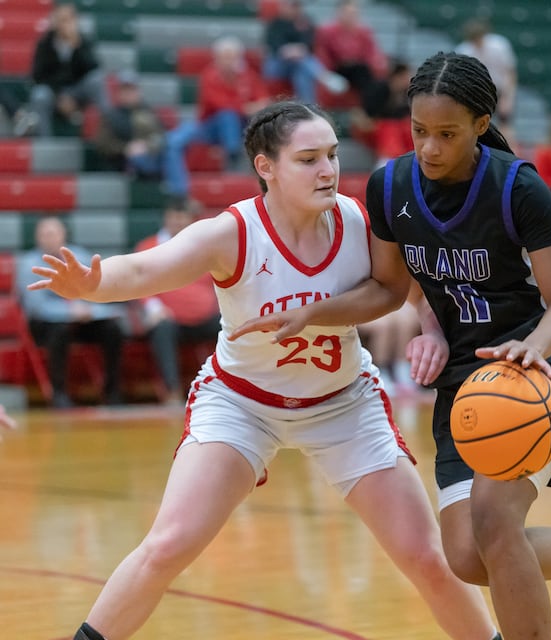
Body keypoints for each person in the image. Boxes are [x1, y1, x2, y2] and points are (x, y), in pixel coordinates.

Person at [230, 52, 551, 640]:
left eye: (446, 134)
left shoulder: (518, 188)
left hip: (540, 363)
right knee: (468, 556)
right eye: (420, 131)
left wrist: (534, 351)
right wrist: (315, 312)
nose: (430, 148)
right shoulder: (390, 186)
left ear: (479, 123)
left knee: (495, 521)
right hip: (465, 378)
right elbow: (391, 289)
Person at [29, 100, 502, 640]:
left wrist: (432, 328)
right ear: (266, 167)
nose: (328, 169)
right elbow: (145, 269)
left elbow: (409, 285)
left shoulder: (358, 219)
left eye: (332, 155)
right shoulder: (232, 233)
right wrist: (92, 284)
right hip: (242, 404)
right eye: (308, 159)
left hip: (343, 403)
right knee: (168, 544)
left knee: (428, 558)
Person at [16, 217, 125, 408]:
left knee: (112, 329)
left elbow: (96, 291)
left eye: (53, 233)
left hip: (84, 317)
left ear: (63, 235)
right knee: (60, 330)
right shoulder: (28, 264)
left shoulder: (80, 256)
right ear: (37, 238)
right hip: (45, 324)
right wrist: (70, 311)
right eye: (44, 234)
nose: (49, 238)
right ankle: (59, 394)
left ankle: (112, 392)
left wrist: (91, 310)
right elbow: (36, 306)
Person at [131, 197, 221, 405]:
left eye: (183, 219)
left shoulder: (204, 247)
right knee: (163, 329)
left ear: (191, 221)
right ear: (166, 219)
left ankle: (229, 390)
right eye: (174, 219)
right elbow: (139, 284)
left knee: (232, 326)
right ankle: (171, 392)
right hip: (168, 319)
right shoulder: (148, 246)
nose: (178, 223)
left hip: (205, 317)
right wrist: (153, 308)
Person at [162, 35, 272, 198]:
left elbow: (265, 101)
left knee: (240, 121)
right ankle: (180, 192)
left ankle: (235, 158)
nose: (229, 61)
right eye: (225, 57)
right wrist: (246, 107)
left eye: (232, 57)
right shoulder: (209, 75)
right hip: (209, 126)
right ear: (217, 58)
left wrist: (246, 108)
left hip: (242, 126)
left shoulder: (248, 76)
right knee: (173, 141)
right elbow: (220, 104)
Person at [29, 2, 110, 137]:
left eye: (68, 19)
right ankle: (44, 144)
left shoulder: (83, 41)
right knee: (39, 94)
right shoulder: (45, 44)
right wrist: (60, 96)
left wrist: (76, 48)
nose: (65, 24)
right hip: (54, 94)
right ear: (54, 21)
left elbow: (93, 68)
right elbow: (38, 76)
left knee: (97, 80)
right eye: (62, 19)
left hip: (78, 92)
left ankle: (109, 134)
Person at [262, 0, 349, 104]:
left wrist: (297, 51)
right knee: (303, 61)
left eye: (297, 6)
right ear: (283, 7)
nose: (295, 9)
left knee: (302, 73)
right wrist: (289, 51)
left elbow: (309, 44)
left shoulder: (305, 22)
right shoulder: (275, 24)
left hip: (298, 63)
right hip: (277, 65)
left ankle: (308, 107)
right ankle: (324, 77)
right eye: (292, 6)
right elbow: (274, 46)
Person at [92, 69, 164, 179]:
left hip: (150, 156)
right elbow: (102, 144)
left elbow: (161, 137)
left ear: (139, 92)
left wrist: (146, 147)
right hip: (122, 162)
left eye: (132, 89)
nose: (129, 93)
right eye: (125, 89)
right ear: (119, 93)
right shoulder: (111, 116)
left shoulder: (149, 113)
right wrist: (126, 148)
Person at [455, 18, 517, 144]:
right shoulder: (464, 51)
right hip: (477, 92)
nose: (477, 43)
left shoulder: (500, 45)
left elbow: (510, 72)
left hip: (500, 90)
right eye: (474, 40)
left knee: (505, 125)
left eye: (479, 39)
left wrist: (508, 97)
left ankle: (509, 152)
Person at [357, 280, 422, 396]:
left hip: (389, 302)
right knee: (384, 326)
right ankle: (382, 372)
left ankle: (403, 370)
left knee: (406, 321)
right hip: (363, 306)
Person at [314, 0, 388, 102]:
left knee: (371, 76)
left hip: (359, 68)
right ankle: (368, 110)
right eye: (348, 13)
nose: (350, 16)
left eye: (353, 13)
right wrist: (326, 73)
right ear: (339, 12)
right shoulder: (327, 31)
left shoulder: (364, 31)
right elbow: (322, 54)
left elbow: (371, 53)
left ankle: (370, 109)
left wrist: (377, 65)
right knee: (361, 73)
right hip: (337, 69)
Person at [350, 58, 414, 168]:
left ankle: (412, 161)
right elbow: (361, 116)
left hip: (395, 131)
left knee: (408, 128)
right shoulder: (377, 89)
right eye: (405, 76)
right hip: (372, 129)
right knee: (389, 129)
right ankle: (387, 162)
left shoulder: (407, 94)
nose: (408, 80)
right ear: (396, 76)